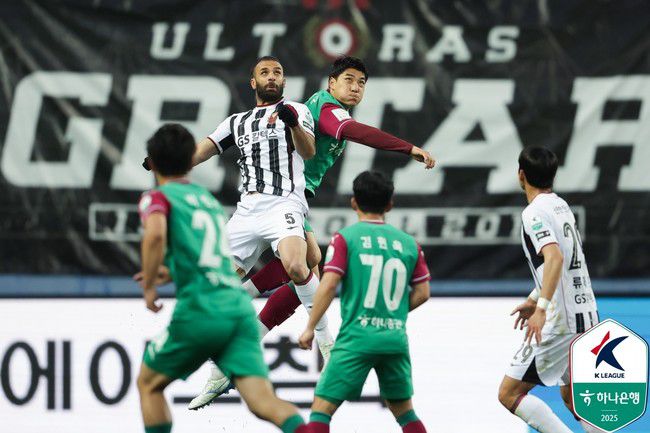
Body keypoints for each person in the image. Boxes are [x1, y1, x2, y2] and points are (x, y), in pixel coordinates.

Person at [190, 56, 437, 406]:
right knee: (307, 268)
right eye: (348, 79)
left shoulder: (324, 110)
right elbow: (355, 132)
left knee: (306, 270)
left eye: (361, 83)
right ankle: (319, 342)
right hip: (284, 195)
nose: (355, 87)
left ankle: (230, 357)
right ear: (331, 83)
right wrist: (407, 148)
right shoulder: (325, 108)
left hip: (292, 196)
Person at [178, 55, 334, 409]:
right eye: (264, 72)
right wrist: (170, 162)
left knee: (298, 265)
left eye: (278, 72)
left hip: (284, 203)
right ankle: (223, 368)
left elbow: (309, 151)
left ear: (284, 81)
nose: (272, 76)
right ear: (253, 82)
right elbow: (203, 150)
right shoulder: (237, 121)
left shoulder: (296, 110)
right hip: (247, 211)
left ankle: (327, 344)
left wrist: (293, 125)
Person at [134, 123, 308, 433]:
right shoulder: (207, 201)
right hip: (239, 311)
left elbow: (156, 235)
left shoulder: (157, 197)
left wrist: (149, 285)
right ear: (190, 161)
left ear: (154, 163)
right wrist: (170, 271)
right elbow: (210, 257)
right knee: (262, 401)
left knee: (148, 383)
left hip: (203, 309)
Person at [298, 171, 431, 433]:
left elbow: (329, 284)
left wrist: (310, 327)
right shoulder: (409, 244)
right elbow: (423, 292)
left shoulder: (345, 238)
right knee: (405, 413)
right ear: (389, 204)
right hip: (394, 339)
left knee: (321, 411)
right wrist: (393, 312)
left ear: (353, 202)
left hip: (357, 338)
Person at [497, 146, 601, 433]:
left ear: (521, 175)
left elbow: (554, 257)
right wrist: (535, 297)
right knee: (574, 397)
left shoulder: (533, 213)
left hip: (561, 322)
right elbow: (565, 261)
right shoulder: (561, 206)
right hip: (586, 313)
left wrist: (541, 308)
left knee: (509, 393)